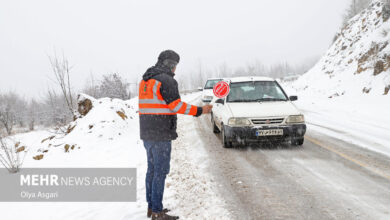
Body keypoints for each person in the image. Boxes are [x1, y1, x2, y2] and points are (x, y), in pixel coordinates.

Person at [138, 50, 213, 220]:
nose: (175, 70)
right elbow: (176, 106)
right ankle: (157, 211)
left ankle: (151, 206)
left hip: (147, 132)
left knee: (152, 170)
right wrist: (201, 110)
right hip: (161, 133)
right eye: (175, 66)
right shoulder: (166, 80)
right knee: (160, 172)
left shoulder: (145, 80)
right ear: (170, 64)